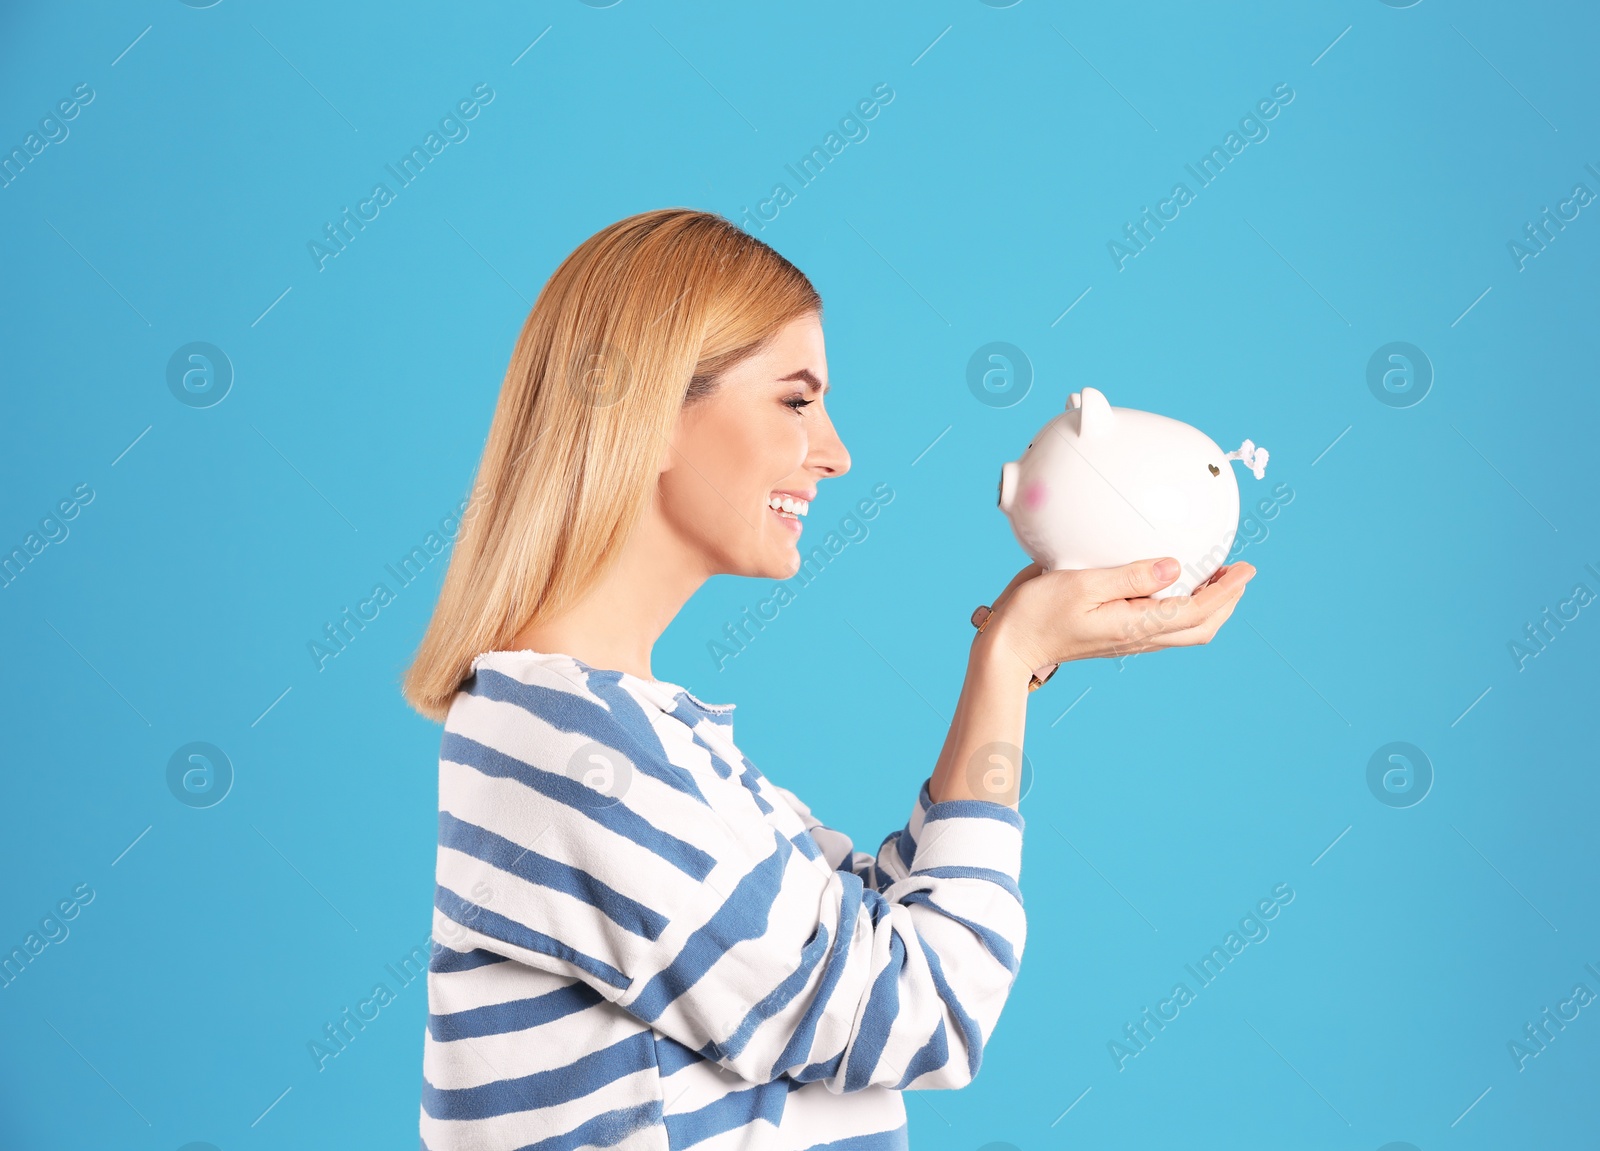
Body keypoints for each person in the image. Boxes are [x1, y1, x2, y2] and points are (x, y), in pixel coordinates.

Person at [401, 208, 1254, 1150]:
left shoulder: (626, 735)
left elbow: (877, 923)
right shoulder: (576, 752)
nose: (837, 452)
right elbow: (923, 1012)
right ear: (644, 407)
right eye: (796, 401)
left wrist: (1016, 656)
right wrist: (1009, 659)